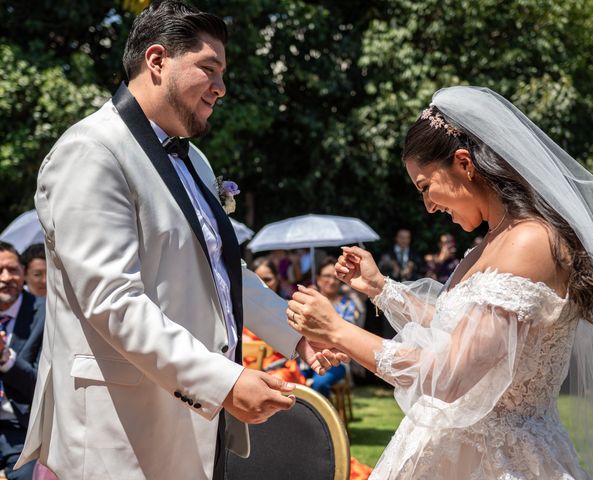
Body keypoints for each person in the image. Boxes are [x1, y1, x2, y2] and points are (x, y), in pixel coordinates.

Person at [14, 2, 343, 479]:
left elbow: (222, 271)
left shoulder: (196, 161)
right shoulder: (91, 152)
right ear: (157, 61)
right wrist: (224, 382)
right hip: (118, 431)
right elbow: (113, 301)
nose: (221, 88)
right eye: (209, 69)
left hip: (188, 425)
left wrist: (295, 335)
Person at [287, 86, 593, 478]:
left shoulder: (530, 242)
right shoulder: (486, 245)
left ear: (464, 163)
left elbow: (452, 373)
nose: (428, 206)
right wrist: (380, 289)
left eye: (426, 187)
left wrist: (337, 330)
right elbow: (454, 329)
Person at [0, 242, 45, 480]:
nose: (6, 278)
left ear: (23, 273)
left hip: (23, 433)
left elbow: (43, 386)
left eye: (13, 270)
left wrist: (5, 359)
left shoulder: (45, 314)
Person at [302, 258, 358, 397]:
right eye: (327, 276)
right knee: (289, 379)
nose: (332, 281)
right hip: (304, 360)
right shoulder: (307, 301)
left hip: (335, 362)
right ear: (318, 279)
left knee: (319, 384)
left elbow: (347, 336)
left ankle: (322, 417)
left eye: (335, 277)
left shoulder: (347, 304)